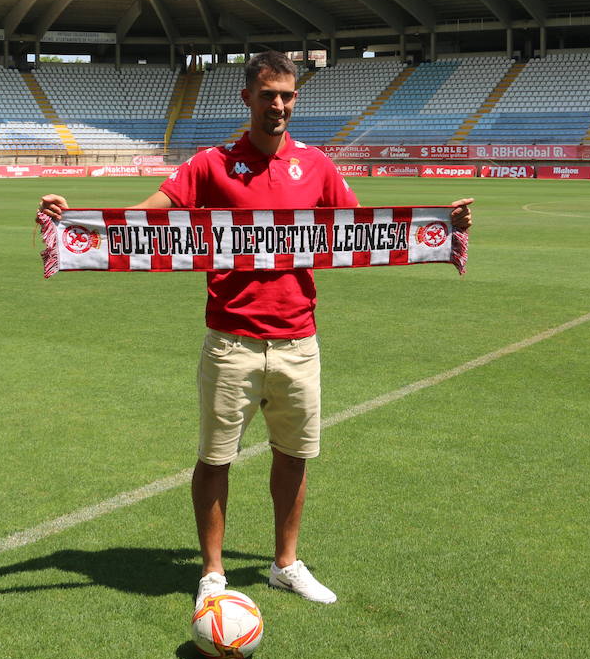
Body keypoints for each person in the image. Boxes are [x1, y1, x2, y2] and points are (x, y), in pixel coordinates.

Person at [40, 50, 472, 606]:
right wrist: (77, 222)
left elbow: (366, 229)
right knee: (215, 459)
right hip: (231, 341)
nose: (279, 105)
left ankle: (285, 564)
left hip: (298, 340)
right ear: (247, 99)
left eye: (288, 95)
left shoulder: (316, 165)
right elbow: (147, 217)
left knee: (294, 457)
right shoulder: (212, 164)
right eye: (268, 94)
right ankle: (213, 574)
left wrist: (443, 224)